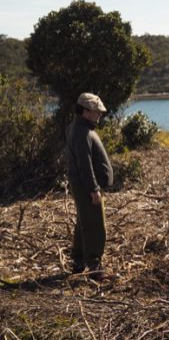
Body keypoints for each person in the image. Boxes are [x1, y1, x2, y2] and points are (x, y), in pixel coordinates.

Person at [66, 92, 114, 280]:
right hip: (87, 187)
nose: (99, 114)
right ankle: (95, 268)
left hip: (84, 186)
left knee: (84, 223)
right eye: (96, 111)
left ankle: (78, 263)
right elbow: (84, 164)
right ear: (86, 111)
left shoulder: (80, 128)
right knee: (95, 226)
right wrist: (93, 189)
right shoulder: (81, 132)